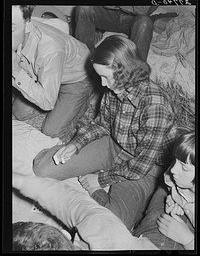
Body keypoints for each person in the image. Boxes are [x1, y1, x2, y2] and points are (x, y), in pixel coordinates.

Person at [32, 35, 177, 232]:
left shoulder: (155, 105)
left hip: (146, 167)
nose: (102, 84)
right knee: (43, 168)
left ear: (126, 72)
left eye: (106, 77)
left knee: (115, 222)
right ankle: (92, 172)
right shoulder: (114, 88)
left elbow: (140, 166)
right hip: (113, 145)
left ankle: (96, 184)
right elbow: (102, 124)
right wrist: (76, 144)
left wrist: (99, 182)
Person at [12, 5, 102, 142]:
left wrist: (17, 73)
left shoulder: (49, 50)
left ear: (28, 26)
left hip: (79, 78)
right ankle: (54, 90)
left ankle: (83, 102)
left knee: (51, 131)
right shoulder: (21, 30)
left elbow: (47, 102)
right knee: (19, 112)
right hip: (45, 73)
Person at [12, 172, 159, 251]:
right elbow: (69, 201)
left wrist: (20, 181)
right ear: (63, 235)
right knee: (161, 207)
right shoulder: (109, 238)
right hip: (155, 242)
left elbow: (63, 200)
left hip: (110, 231)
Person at [132, 128, 195, 250]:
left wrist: (189, 240)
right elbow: (168, 178)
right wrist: (174, 199)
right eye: (175, 161)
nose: (173, 170)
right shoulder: (175, 177)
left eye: (184, 168)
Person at [74, 6, 178, 61]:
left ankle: (135, 72)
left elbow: (144, 9)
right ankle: (84, 59)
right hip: (110, 17)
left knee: (144, 23)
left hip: (133, 21)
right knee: (84, 7)